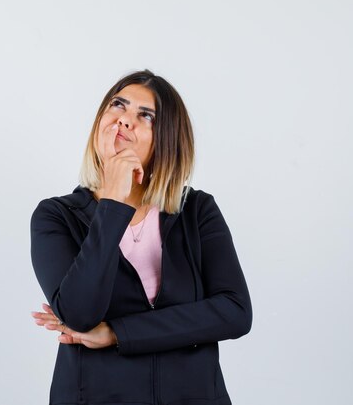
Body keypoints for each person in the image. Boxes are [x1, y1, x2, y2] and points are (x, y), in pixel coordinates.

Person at [30, 69, 252, 405]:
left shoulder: (196, 210)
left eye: (144, 115)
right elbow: (79, 314)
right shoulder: (56, 216)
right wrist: (114, 203)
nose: (124, 120)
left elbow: (234, 312)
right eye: (117, 105)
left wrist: (118, 333)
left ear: (167, 138)